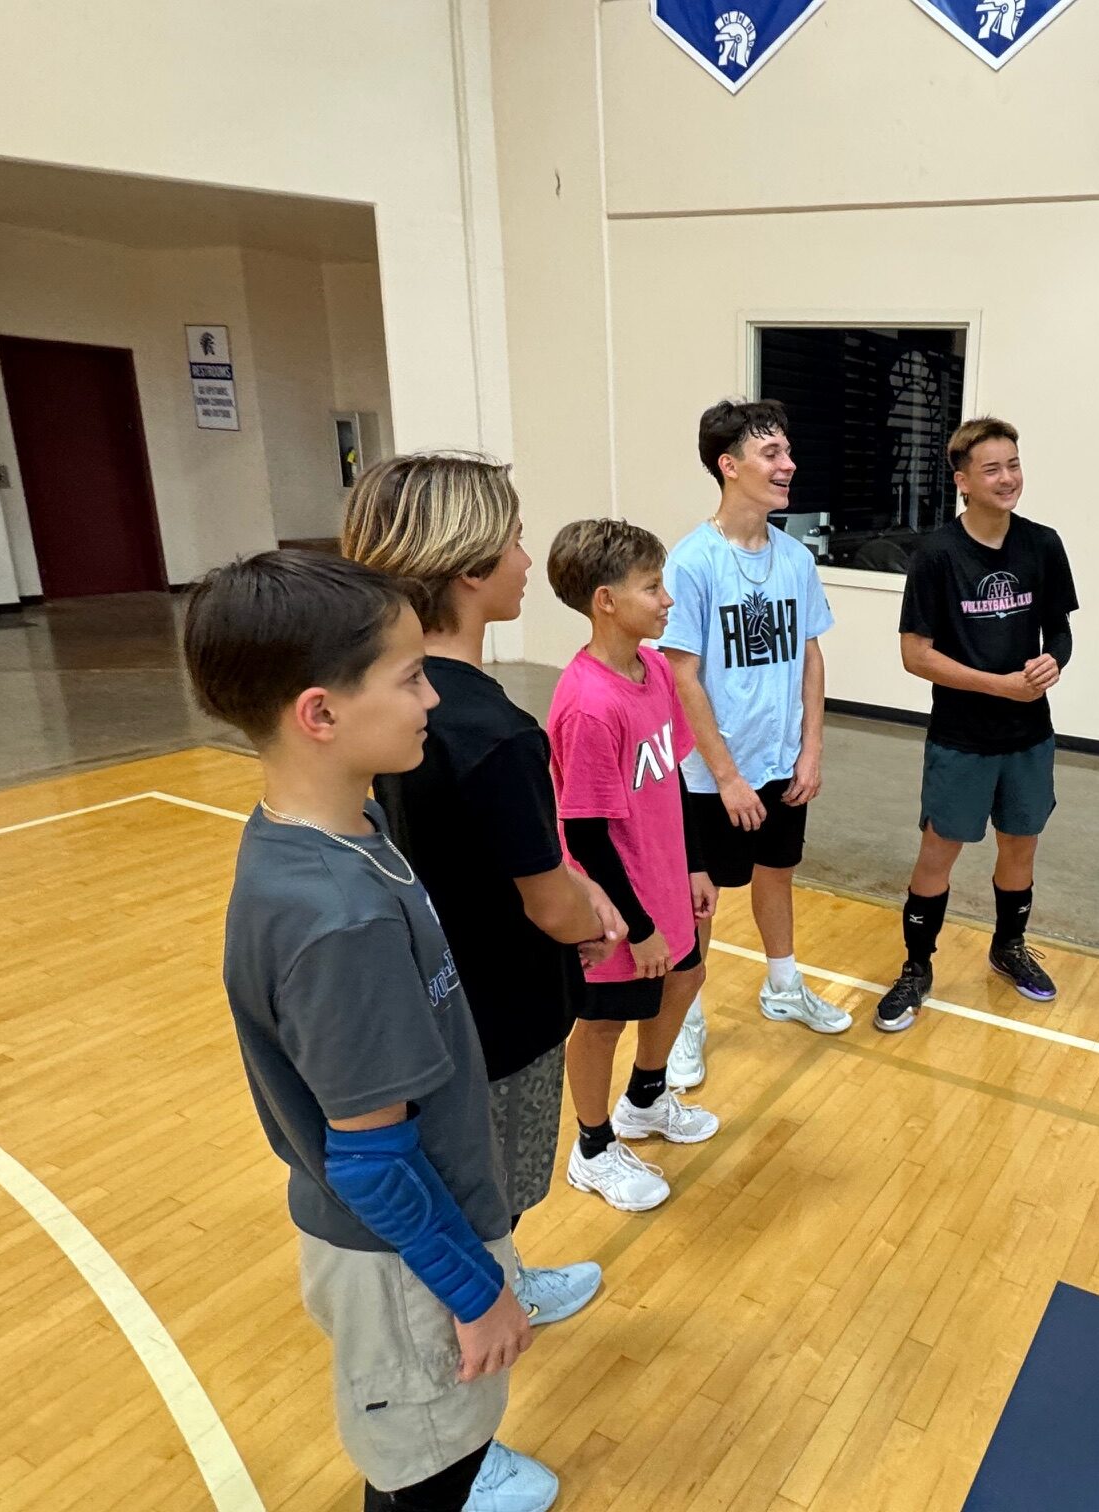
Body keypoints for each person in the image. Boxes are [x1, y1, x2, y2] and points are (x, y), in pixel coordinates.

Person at [186, 551, 558, 1512]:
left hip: (416, 1245)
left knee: (433, 1449)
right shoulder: (335, 919)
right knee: (424, 1476)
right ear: (321, 713)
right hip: (405, 1263)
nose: (433, 697)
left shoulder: (343, 829)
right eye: (409, 678)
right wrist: (475, 1291)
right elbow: (370, 1163)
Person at [345, 451, 622, 1330]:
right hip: (495, 1020)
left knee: (469, 1197)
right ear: (470, 568)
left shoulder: (365, 707)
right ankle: (457, 1452)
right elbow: (548, 902)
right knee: (478, 1196)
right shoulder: (494, 731)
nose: (527, 561)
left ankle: (503, 1273)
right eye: (514, 540)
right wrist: (597, 914)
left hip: (414, 1009)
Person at [658, 398, 849, 1089]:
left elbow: (811, 655)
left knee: (778, 870)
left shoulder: (795, 557)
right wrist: (727, 775)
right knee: (698, 900)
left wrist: (811, 749)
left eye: (787, 451)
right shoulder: (691, 561)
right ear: (728, 465)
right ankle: (685, 1020)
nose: (788, 464)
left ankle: (783, 984)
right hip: (714, 775)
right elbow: (682, 676)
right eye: (772, 453)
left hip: (780, 760)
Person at [873, 416, 1078, 1033]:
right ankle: (916, 967)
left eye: (1013, 464)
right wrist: (999, 686)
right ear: (963, 481)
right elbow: (916, 655)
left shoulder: (1043, 544)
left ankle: (1007, 949)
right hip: (962, 738)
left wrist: (1053, 661)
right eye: (992, 468)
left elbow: (1061, 629)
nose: (1008, 477)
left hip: (1029, 739)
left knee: (1021, 848)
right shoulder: (936, 555)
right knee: (939, 853)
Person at [548, 517, 721, 1215]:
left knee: (690, 976)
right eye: (652, 587)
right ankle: (591, 1147)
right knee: (603, 1023)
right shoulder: (590, 705)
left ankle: (646, 1099)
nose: (667, 599)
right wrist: (639, 925)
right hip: (617, 905)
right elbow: (584, 834)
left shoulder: (651, 669)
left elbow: (675, 773)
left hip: (663, 877)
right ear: (606, 601)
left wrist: (695, 865)